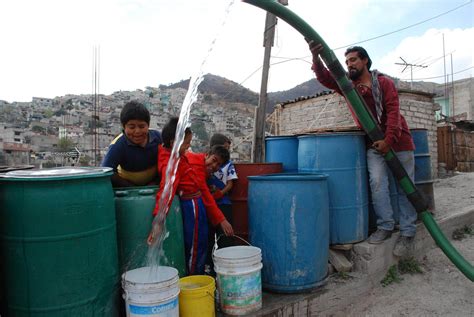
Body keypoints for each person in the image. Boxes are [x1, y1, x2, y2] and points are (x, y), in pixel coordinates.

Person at [308, 43, 417, 256]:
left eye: (353, 60)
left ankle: (407, 232)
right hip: (374, 144)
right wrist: (315, 55)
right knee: (377, 183)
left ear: (365, 60)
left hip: (399, 141)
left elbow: (393, 111)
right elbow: (323, 77)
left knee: (406, 186)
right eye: (347, 61)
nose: (350, 64)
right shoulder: (348, 86)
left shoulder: (384, 83)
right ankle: (385, 226)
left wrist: (389, 139)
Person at [150, 117, 233, 275]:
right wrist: (158, 219)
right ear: (175, 141)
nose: (189, 147)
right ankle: (195, 278)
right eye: (187, 143)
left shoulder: (177, 157)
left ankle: (197, 274)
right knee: (195, 245)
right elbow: (166, 190)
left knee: (199, 243)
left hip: (196, 204)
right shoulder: (175, 162)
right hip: (192, 206)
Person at [101, 101, 161, 187]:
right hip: (127, 188)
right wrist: (131, 187)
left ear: (148, 125)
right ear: (123, 126)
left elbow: (170, 161)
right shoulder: (118, 145)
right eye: (132, 127)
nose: (137, 131)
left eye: (142, 126)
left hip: (154, 186)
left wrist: (155, 182)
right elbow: (106, 171)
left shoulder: (158, 138)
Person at [206, 134, 238, 268]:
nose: (226, 151)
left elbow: (230, 184)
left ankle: (225, 266)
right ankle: (209, 266)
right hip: (209, 204)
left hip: (223, 204)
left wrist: (220, 193)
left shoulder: (227, 165)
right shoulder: (206, 165)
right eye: (225, 147)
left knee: (225, 237)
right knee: (208, 238)